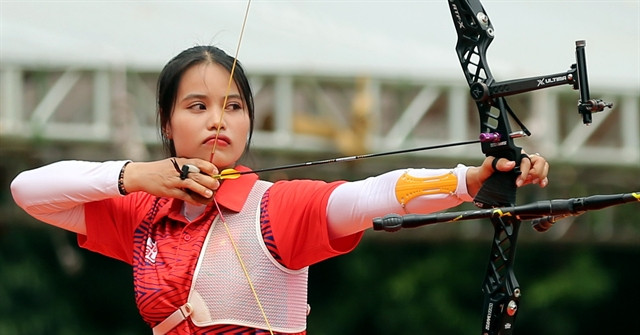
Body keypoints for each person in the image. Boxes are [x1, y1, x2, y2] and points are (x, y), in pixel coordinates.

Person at [10, 45, 549, 335]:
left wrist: (467, 180)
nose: (218, 120)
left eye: (234, 106)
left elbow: (365, 197)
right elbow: (28, 190)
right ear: (166, 121)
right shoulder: (143, 212)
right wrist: (136, 174)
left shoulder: (272, 208)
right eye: (197, 106)